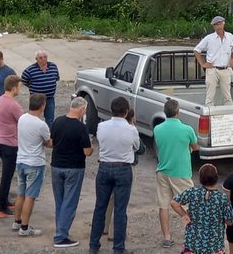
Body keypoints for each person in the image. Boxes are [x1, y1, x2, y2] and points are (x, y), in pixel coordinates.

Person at [88, 96, 140, 254]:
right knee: (120, 210)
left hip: (104, 167)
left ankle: (94, 245)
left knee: (100, 207)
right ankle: (118, 248)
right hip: (123, 168)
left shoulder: (102, 126)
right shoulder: (131, 129)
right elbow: (136, 146)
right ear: (126, 112)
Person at [154, 99, 198, 249]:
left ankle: (167, 237)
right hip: (181, 172)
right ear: (178, 112)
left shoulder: (158, 129)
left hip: (162, 170)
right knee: (190, 204)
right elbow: (195, 146)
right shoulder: (187, 129)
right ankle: (192, 231)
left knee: (164, 204)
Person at [50, 96, 93, 248]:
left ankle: (60, 230)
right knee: (69, 202)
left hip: (56, 166)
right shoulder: (81, 128)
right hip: (74, 167)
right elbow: (87, 152)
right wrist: (91, 145)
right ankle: (61, 236)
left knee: (60, 201)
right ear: (81, 109)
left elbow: (52, 142)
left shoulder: (57, 122)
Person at [171, 163, 233, 254]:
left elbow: (174, 203)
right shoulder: (222, 198)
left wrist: (184, 214)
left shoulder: (192, 192)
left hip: (192, 245)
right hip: (214, 247)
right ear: (216, 178)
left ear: (200, 178)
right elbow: (230, 221)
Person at [13, 93, 51, 237]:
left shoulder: (22, 118)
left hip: (21, 160)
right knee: (30, 196)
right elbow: (48, 142)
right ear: (42, 106)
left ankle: (17, 221)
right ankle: (25, 227)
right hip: (35, 162)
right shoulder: (41, 124)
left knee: (21, 193)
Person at [0, 75, 23, 218]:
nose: (20, 89)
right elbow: (22, 121)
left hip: (0, 140)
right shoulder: (13, 104)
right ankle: (2, 206)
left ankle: (4, 201)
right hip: (10, 143)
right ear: (14, 88)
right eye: (19, 86)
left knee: (7, 175)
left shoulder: (0, 100)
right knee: (7, 176)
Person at [194, 16, 233, 106]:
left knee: (227, 96)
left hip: (225, 69)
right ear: (214, 26)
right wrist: (202, 63)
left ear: (224, 23)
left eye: (220, 23)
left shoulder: (230, 37)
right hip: (212, 69)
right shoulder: (209, 38)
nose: (219, 26)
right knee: (210, 97)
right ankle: (209, 117)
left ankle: (229, 117)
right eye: (216, 24)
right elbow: (197, 50)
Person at [21, 50, 60, 129]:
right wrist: (33, 87)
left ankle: (49, 136)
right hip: (36, 99)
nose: (43, 59)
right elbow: (24, 81)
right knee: (33, 118)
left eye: (45, 57)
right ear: (36, 59)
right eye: (41, 58)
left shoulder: (53, 66)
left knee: (50, 119)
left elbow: (56, 78)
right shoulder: (30, 70)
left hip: (49, 98)